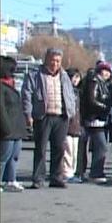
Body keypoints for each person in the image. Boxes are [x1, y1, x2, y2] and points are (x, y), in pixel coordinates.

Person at [21, 48, 76, 188]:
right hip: (42, 116)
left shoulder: (64, 76)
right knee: (40, 148)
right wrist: (28, 114)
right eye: (52, 60)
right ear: (46, 59)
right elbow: (26, 95)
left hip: (61, 117)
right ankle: (38, 178)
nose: (55, 63)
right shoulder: (35, 76)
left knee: (59, 148)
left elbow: (70, 95)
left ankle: (56, 177)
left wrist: (71, 113)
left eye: (58, 61)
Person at [0, 56, 29, 192]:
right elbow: (1, 109)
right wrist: (5, 127)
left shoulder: (11, 83)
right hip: (7, 128)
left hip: (17, 127)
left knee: (14, 156)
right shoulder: (1, 86)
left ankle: (10, 179)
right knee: (3, 157)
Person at [82, 60, 112, 183]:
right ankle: (95, 172)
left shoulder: (102, 83)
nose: (107, 74)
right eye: (105, 71)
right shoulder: (94, 81)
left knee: (99, 146)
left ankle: (97, 171)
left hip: (99, 119)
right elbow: (92, 100)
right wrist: (106, 108)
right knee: (101, 146)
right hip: (94, 119)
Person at [61, 68, 82, 181]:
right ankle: (66, 172)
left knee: (74, 151)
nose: (76, 80)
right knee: (67, 151)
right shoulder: (65, 90)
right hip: (67, 125)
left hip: (76, 125)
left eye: (78, 77)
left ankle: (72, 172)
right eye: (74, 77)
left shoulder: (77, 91)